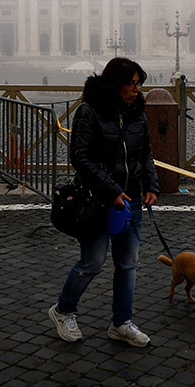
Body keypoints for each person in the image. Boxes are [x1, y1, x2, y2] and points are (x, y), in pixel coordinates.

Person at [49, 57, 160, 347]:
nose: (137, 89)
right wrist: (112, 191)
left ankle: (121, 323)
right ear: (115, 84)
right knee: (92, 262)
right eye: (131, 83)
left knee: (128, 264)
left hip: (131, 199)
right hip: (99, 200)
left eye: (139, 83)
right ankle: (63, 310)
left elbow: (145, 153)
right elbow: (81, 158)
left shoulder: (137, 111)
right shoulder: (89, 111)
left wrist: (151, 184)